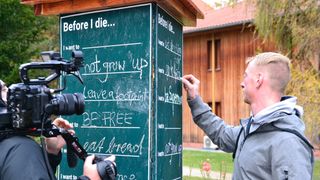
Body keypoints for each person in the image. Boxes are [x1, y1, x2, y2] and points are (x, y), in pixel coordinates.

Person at [182, 52, 314, 179]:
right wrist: (195, 99)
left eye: (245, 76)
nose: (242, 83)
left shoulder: (289, 143)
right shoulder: (251, 129)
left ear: (258, 80)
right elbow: (222, 134)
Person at [0, 79, 116, 180]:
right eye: (5, 90)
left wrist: (51, 153)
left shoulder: (9, 146)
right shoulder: (21, 149)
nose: (12, 95)